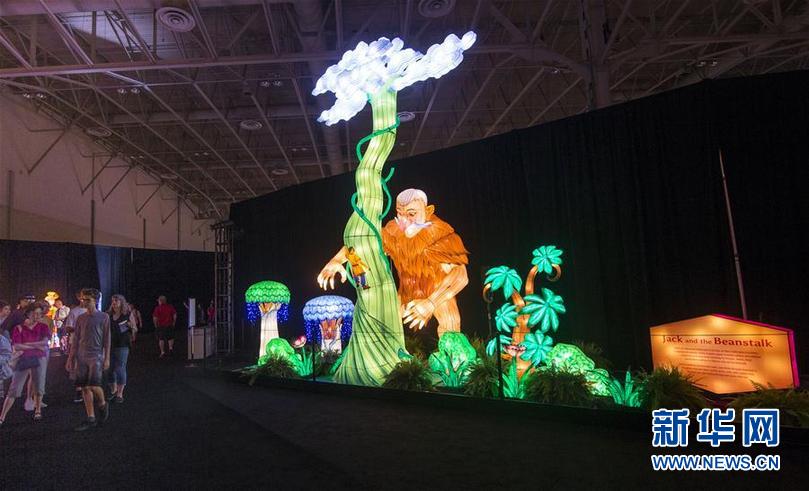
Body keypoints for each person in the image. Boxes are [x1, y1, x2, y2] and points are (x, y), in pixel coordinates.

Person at [67, 288, 111, 431]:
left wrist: (107, 358)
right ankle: (90, 417)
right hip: (82, 355)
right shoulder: (80, 318)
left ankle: (102, 403)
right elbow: (76, 339)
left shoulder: (104, 317)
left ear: (95, 301)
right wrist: (71, 357)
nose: (84, 302)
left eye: (88, 300)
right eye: (83, 299)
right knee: (85, 387)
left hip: (96, 355)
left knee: (93, 385)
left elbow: (107, 339)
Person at [0, 303, 50, 425]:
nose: (37, 316)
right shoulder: (19, 328)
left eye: (39, 314)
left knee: (39, 384)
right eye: (35, 313)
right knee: (14, 388)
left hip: (38, 358)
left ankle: (37, 409)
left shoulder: (43, 326)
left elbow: (44, 343)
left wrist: (26, 345)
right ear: (28, 314)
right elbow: (17, 346)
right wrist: (35, 345)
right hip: (24, 358)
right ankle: (2, 416)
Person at [107, 294, 136, 403]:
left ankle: (120, 394)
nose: (114, 303)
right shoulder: (108, 315)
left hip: (122, 344)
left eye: (116, 301)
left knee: (120, 368)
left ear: (121, 302)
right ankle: (113, 391)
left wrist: (130, 326)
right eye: (113, 301)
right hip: (110, 344)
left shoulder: (127, 314)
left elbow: (135, 328)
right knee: (109, 369)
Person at [64, 291, 87, 404]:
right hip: (77, 342)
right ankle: (79, 390)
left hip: (91, 343)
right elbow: (68, 327)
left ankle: (87, 390)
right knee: (77, 367)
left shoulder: (94, 312)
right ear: (78, 298)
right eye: (83, 297)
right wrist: (79, 329)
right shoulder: (74, 312)